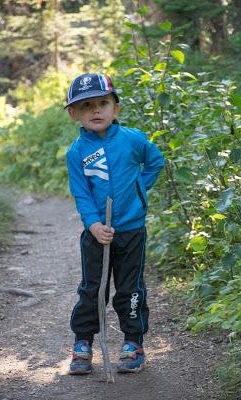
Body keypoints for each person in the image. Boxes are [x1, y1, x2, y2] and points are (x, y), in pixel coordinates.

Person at [65, 73, 164, 375]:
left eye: (103, 103)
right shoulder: (77, 152)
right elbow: (81, 193)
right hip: (97, 235)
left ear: (115, 108)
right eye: (87, 106)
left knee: (130, 288)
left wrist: (138, 192)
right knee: (92, 289)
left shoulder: (133, 139)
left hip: (131, 230)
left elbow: (156, 161)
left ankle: (133, 342)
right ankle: (83, 342)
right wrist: (94, 225)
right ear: (74, 113)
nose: (96, 110)